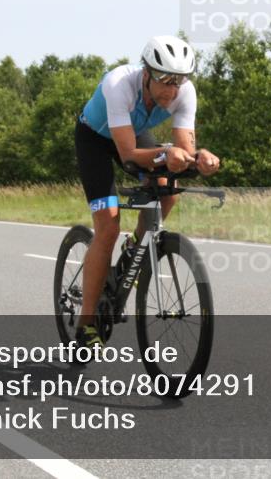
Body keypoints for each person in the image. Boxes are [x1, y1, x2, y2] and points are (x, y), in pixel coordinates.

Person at [74, 35, 220, 350]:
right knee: (108, 227)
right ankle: (85, 324)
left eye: (179, 81)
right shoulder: (118, 85)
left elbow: (183, 151)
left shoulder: (185, 94)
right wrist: (166, 154)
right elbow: (127, 154)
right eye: (165, 80)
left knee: (169, 189)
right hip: (96, 140)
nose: (172, 89)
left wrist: (200, 158)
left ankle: (135, 249)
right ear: (146, 74)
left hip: (134, 132)